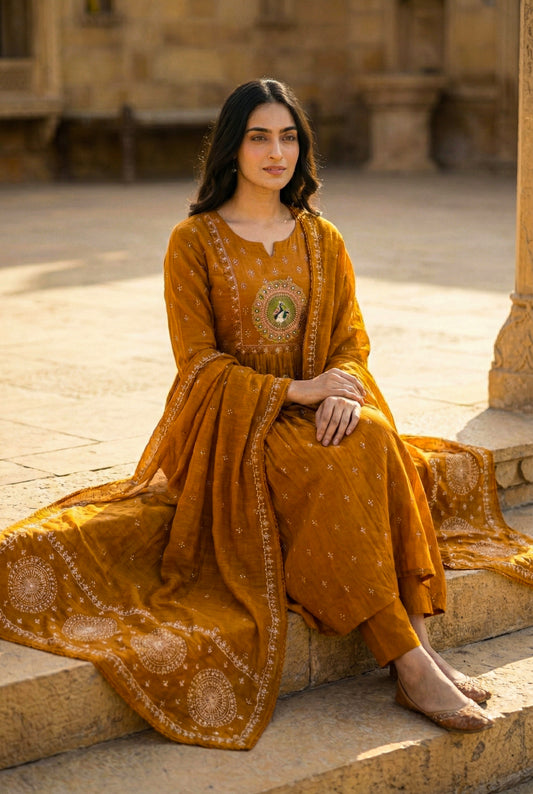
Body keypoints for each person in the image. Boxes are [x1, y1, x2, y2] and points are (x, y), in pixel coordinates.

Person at [1, 78, 532, 750]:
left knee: (369, 435)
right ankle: (407, 660)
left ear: (300, 148)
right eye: (259, 137)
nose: (275, 151)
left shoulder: (321, 238)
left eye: (287, 137)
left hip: (316, 411)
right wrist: (297, 394)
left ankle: (419, 651)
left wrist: (340, 383)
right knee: (338, 461)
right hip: (234, 430)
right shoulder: (193, 242)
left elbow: (350, 341)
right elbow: (197, 367)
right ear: (233, 147)